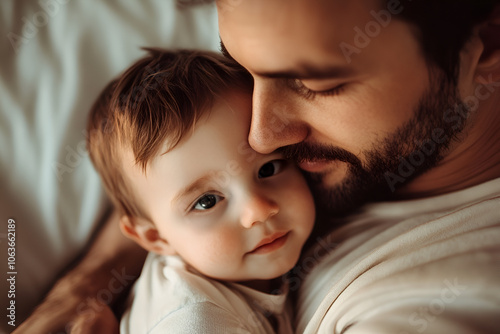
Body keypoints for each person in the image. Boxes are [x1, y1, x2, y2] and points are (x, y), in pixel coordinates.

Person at [217, 0, 500, 333]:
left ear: (487, 44)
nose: (261, 138)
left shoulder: (436, 307)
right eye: (241, 71)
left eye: (315, 85)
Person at [86, 49, 315, 333]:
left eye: (268, 169)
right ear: (155, 237)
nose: (258, 209)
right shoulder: (196, 320)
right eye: (207, 201)